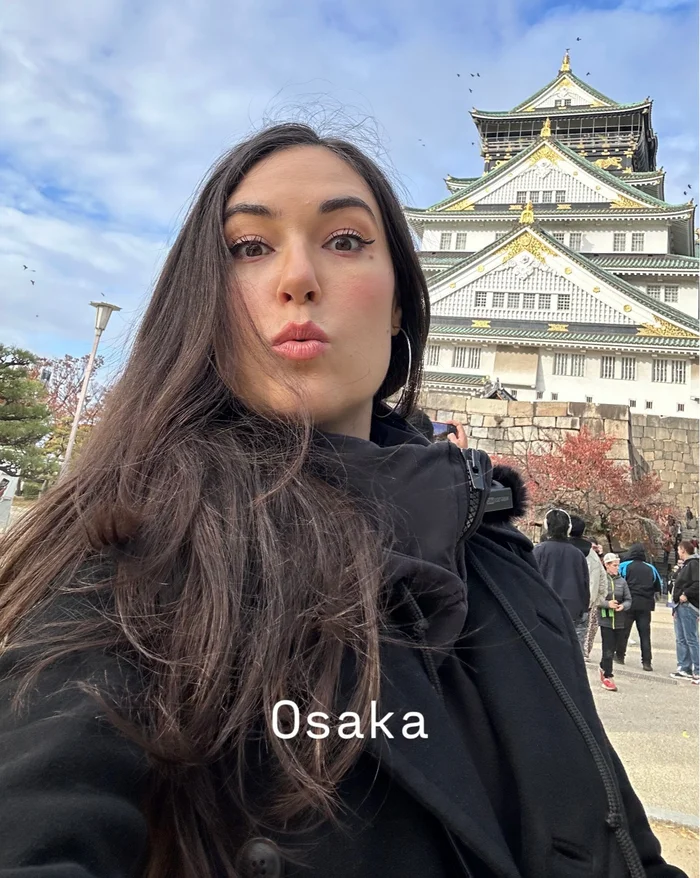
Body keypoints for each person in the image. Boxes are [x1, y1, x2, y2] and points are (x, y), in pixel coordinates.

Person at [0, 124, 687, 878]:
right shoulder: (137, 552)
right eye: (250, 248)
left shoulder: (500, 562)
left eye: (347, 240)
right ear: (206, 305)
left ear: (401, 304)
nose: (298, 276)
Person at [532, 509, 590, 650]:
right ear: (568, 528)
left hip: (543, 612)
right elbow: (584, 586)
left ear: (547, 525)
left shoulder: (538, 551)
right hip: (571, 613)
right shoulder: (578, 554)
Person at [618, 543, 663, 671]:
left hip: (629, 603)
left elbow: (619, 583)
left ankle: (620, 655)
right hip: (645, 605)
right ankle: (646, 662)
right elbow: (658, 586)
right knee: (644, 634)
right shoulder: (651, 568)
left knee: (624, 631)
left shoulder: (624, 566)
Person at [568, 515, 607, 660]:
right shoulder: (592, 555)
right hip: (583, 606)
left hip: (559, 603)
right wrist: (594, 602)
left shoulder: (560, 549)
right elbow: (603, 583)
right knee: (577, 647)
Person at [598, 554, 633, 692]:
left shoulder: (622, 582)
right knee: (607, 649)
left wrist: (623, 606)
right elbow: (595, 598)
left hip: (619, 620)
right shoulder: (602, 580)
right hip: (606, 620)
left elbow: (628, 599)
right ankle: (608, 676)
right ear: (607, 565)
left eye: (618, 565)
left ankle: (602, 666)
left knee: (613, 648)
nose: (617, 568)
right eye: (614, 565)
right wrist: (607, 604)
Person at [670, 540, 700, 683]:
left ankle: (698, 670)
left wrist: (685, 594)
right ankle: (684, 667)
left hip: (688, 605)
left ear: (683, 550)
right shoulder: (686, 565)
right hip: (680, 605)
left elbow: (697, 583)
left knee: (691, 638)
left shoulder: (693, 564)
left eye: (678, 550)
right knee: (681, 638)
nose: (677, 552)